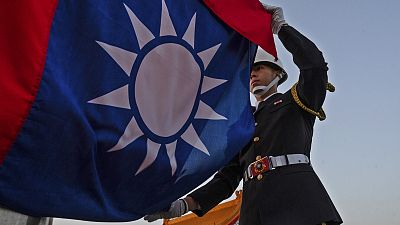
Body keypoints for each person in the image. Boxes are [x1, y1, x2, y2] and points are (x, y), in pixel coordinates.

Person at [144, 4, 342, 225]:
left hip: (300, 207)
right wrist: (183, 205)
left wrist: (281, 28)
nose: (253, 74)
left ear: (278, 73)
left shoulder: (295, 101)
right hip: (255, 214)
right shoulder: (242, 124)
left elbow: (314, 66)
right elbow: (226, 179)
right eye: (249, 71)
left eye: (259, 68)